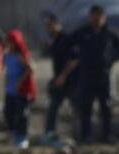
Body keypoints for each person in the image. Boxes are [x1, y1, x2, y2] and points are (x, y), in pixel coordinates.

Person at [57, 5, 119, 143]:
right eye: (94, 16)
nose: (97, 19)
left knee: (106, 107)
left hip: (104, 74)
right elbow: (67, 44)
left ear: (104, 17)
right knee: (86, 107)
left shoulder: (109, 33)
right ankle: (86, 136)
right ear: (90, 17)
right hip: (86, 75)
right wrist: (76, 58)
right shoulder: (83, 33)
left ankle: (107, 135)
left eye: (99, 16)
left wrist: (111, 58)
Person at [41, 14, 76, 146]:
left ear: (58, 24)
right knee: (53, 107)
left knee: (77, 108)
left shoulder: (66, 39)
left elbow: (74, 60)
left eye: (50, 25)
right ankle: (50, 133)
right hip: (58, 81)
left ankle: (80, 132)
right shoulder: (54, 41)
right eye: (46, 26)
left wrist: (63, 76)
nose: (47, 28)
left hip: (71, 81)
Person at [2, 30, 36, 149]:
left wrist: (19, 82)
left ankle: (22, 137)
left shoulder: (20, 56)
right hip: (10, 90)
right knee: (8, 113)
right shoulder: (6, 55)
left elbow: (30, 69)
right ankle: (14, 134)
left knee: (22, 114)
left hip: (21, 90)